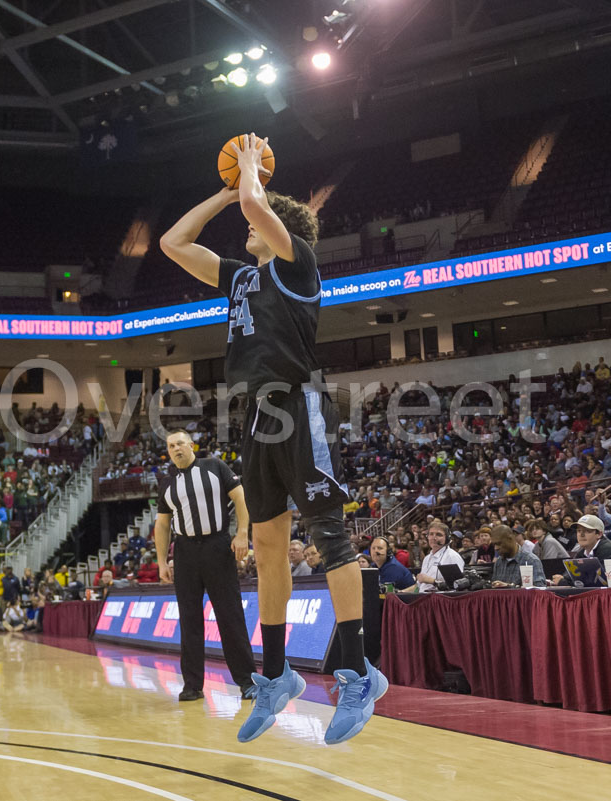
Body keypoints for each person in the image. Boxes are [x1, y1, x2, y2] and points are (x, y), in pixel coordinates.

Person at [159, 134, 384, 747]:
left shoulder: (298, 261)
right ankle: (279, 672)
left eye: (253, 222)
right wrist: (226, 188)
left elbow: (259, 211)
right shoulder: (238, 278)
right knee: (266, 546)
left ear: (280, 228)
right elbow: (172, 244)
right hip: (255, 418)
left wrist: (252, 174)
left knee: (330, 537)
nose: (244, 230)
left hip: (299, 404)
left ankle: (360, 673)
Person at [153, 429, 257, 703]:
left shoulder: (214, 466)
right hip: (185, 553)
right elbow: (162, 524)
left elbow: (240, 497)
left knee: (230, 615)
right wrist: (161, 561)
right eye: (171, 446)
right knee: (189, 620)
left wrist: (242, 532)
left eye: (179, 444)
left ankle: (247, 681)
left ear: (191, 446)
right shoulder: (166, 483)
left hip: (217, 546)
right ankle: (192, 685)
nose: (175, 449)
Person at [416, 522, 465, 592]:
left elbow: (457, 585)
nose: (434, 538)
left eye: (439, 535)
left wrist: (431, 581)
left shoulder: (452, 556)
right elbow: (420, 585)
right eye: (431, 534)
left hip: (441, 599)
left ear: (447, 538)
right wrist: (401, 592)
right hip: (423, 598)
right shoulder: (427, 558)